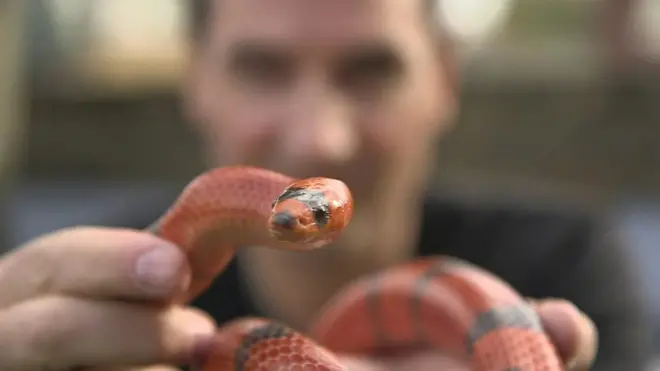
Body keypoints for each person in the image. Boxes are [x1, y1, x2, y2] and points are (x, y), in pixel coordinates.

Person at [0, 0, 649, 370]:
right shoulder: (109, 284)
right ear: (193, 84)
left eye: (371, 70)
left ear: (446, 80)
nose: (320, 139)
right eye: (263, 69)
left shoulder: (571, 263)